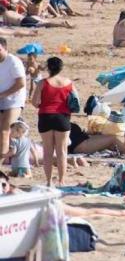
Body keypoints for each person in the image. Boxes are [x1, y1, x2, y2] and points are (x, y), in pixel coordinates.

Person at [32, 56, 75, 187]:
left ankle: (49, 181)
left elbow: (34, 102)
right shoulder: (68, 83)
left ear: (48, 68)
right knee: (62, 151)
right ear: (61, 68)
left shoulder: (42, 83)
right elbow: (75, 101)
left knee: (48, 151)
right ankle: (61, 181)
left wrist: (43, 105)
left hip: (46, 116)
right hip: (62, 117)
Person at [0, 39, 26, 161]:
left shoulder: (13, 61)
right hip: (1, 100)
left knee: (5, 130)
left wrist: (3, 94)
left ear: (5, 48)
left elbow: (21, 83)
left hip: (14, 100)